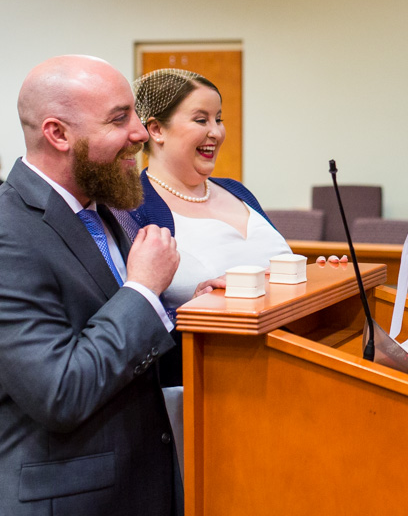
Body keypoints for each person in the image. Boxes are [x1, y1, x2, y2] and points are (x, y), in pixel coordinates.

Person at [0, 55, 183, 516]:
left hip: (130, 500)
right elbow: (59, 391)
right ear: (57, 134)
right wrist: (142, 292)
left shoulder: (107, 209)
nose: (141, 133)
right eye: (120, 119)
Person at [121, 68, 293, 386]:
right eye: (201, 120)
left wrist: (323, 276)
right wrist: (194, 309)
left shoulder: (237, 190)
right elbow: (128, 315)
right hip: (202, 383)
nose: (216, 132)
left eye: (219, 119)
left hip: (286, 363)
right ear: (156, 129)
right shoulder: (132, 209)